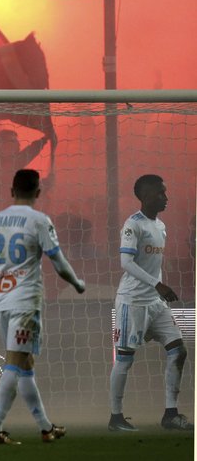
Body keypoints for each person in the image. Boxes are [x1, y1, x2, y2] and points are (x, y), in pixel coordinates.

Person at [0, 168, 85, 444]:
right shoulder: (40, 220)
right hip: (25, 302)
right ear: (38, 192)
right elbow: (59, 263)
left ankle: (46, 428)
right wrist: (77, 283)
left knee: (25, 363)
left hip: (0, 301)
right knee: (15, 363)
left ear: (11, 191)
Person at [108, 174, 193, 432]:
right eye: (160, 194)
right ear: (146, 197)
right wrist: (158, 285)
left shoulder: (161, 226)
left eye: (165, 193)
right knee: (124, 359)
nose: (165, 198)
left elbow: (153, 266)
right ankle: (116, 417)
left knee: (178, 350)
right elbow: (126, 263)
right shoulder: (133, 225)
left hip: (156, 304)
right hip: (132, 302)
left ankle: (170, 414)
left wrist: (160, 289)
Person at [0, 128, 54, 211]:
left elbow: (25, 155)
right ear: (3, 144)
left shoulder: (2, 160)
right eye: (14, 141)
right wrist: (46, 183)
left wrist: (44, 140)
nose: (19, 144)